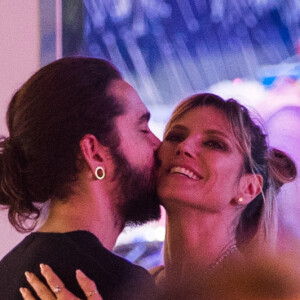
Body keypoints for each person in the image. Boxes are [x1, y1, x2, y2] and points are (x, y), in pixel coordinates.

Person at [20, 93, 297, 299]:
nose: (185, 146)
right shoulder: (137, 286)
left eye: (214, 143)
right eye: (175, 136)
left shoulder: (256, 291)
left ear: (247, 188)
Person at [0, 57, 162, 299]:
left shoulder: (6, 270)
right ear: (94, 153)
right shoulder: (122, 284)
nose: (157, 144)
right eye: (143, 130)